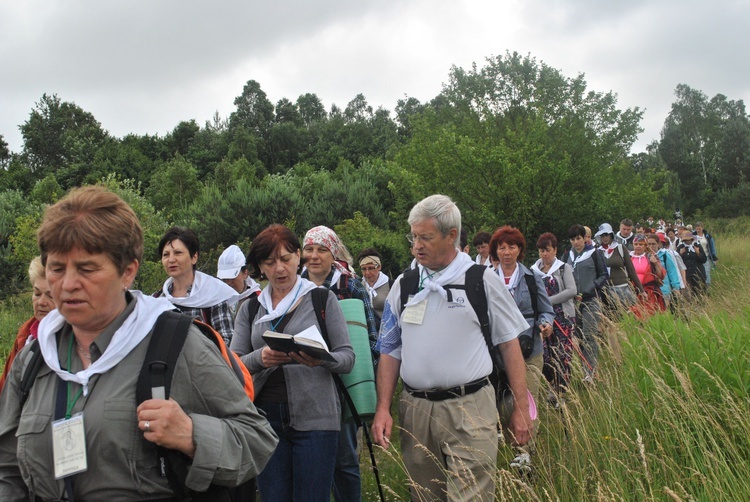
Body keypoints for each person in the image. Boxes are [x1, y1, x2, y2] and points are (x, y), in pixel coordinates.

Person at [0, 186, 277, 501]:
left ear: (127, 271)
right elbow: (7, 467)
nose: (67, 284)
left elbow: (257, 440)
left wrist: (192, 435)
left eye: (86, 268)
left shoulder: (175, 346)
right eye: (57, 268)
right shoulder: (35, 357)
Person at [371, 194, 531, 501]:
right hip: (416, 409)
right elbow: (390, 349)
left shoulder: (480, 281)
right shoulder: (403, 285)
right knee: (424, 495)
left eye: (426, 237)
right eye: (414, 236)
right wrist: (383, 408)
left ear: (452, 236)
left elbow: (510, 346)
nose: (416, 245)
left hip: (469, 408)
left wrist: (521, 409)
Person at [230, 223, 355, 502]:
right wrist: (259, 358)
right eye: (270, 262)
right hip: (265, 420)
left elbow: (347, 358)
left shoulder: (322, 298)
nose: (280, 269)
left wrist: (320, 359)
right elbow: (233, 362)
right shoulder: (251, 306)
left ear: (298, 257)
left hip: (317, 418)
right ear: (260, 267)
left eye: (286, 259)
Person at [301, 225, 378, 502]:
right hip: (305, 382)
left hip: (344, 380)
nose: (314, 256)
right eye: (309, 249)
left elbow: (370, 337)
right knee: (310, 455)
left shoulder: (350, 285)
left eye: (321, 250)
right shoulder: (294, 286)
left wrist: (368, 384)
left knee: (344, 456)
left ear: (333, 253)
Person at [489, 226, 554, 402]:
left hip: (529, 349)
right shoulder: (488, 280)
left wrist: (546, 323)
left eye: (512, 247)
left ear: (519, 250)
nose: (507, 252)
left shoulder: (532, 278)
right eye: (502, 248)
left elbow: (546, 310)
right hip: (499, 354)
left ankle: (530, 429)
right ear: (495, 251)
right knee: (503, 405)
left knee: (528, 402)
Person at [157, 227, 238, 345]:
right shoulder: (157, 300)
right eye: (166, 255)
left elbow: (226, 342)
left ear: (194, 257)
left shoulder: (213, 295)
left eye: (178, 253)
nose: (171, 259)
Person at [531, 233, 577, 401]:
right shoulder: (533, 271)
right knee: (545, 354)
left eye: (548, 250)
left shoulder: (564, 267)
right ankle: (552, 387)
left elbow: (572, 290)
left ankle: (562, 391)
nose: (545, 254)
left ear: (555, 250)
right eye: (542, 250)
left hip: (563, 316)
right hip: (543, 319)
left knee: (563, 354)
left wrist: (548, 301)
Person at [561, 224, 609, 381]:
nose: (576, 242)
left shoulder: (594, 253)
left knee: (590, 334)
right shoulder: (567, 256)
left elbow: (603, 275)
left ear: (584, 238)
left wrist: (592, 287)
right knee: (579, 336)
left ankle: (591, 372)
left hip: (590, 300)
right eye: (573, 239)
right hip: (573, 303)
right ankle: (585, 369)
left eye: (579, 238)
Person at [0, 257, 54, 391]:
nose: (41, 302)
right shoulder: (26, 335)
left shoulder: (76, 340)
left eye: (50, 295)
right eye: (37, 293)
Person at [594, 223, 644, 313]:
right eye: (602, 235)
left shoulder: (620, 248)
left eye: (607, 235)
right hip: (606, 291)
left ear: (611, 235)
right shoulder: (598, 251)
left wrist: (641, 289)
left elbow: (631, 270)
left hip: (622, 289)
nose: (605, 237)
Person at [629, 234, 667, 319]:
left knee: (648, 316)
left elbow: (661, 275)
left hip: (649, 293)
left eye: (641, 244)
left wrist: (655, 263)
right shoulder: (629, 258)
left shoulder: (650, 257)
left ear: (645, 246)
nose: (638, 246)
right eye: (636, 244)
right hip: (633, 292)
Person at [217, 244, 261, 313]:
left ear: (245, 273)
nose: (228, 283)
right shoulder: (217, 299)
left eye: (232, 278)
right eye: (225, 279)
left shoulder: (258, 299)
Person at [357, 247, 391, 323]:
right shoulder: (358, 286)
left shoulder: (390, 285)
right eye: (363, 269)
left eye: (371, 268)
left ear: (379, 267)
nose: (367, 273)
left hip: (386, 330)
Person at [677, 230, 707, 297]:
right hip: (686, 274)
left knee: (699, 291)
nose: (687, 242)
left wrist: (698, 253)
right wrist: (680, 254)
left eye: (689, 240)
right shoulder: (681, 247)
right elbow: (676, 262)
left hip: (697, 273)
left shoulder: (697, 246)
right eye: (685, 240)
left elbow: (704, 259)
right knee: (688, 293)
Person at [693, 222, 718, 288]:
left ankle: (707, 287)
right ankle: (699, 287)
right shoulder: (693, 236)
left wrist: (714, 258)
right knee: (697, 273)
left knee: (707, 272)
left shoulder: (707, 236)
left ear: (702, 228)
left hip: (706, 256)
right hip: (697, 257)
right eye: (697, 228)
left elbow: (712, 247)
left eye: (699, 228)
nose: (698, 230)